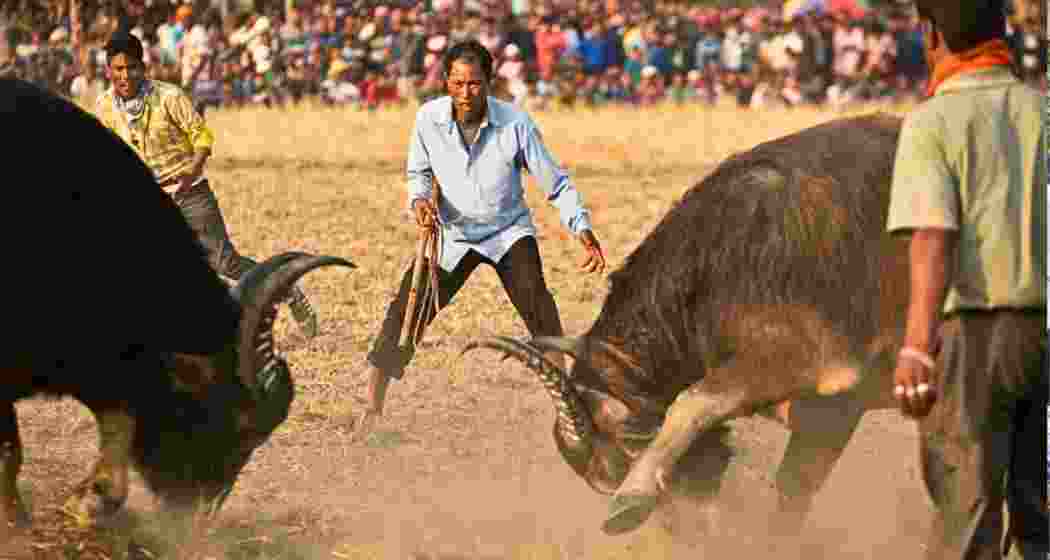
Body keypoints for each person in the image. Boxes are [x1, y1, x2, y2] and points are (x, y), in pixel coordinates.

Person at [355, 40, 606, 439]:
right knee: (408, 309)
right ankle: (371, 407)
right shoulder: (427, 119)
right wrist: (419, 203)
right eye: (457, 84)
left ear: (489, 83)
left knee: (541, 311)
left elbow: (555, 184)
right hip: (452, 234)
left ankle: (573, 412)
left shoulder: (515, 124)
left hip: (508, 231)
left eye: (474, 84)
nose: (465, 94)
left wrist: (581, 228)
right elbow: (418, 174)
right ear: (446, 83)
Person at [885, 1, 1047, 558]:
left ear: (930, 33)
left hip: (973, 341)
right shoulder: (1041, 111)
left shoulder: (931, 123)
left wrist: (915, 347)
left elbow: (932, 236)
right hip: (1044, 332)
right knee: (1039, 510)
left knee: (968, 513)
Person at [93, 32, 320, 338]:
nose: (125, 75)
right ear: (109, 70)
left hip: (190, 193)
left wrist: (192, 170)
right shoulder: (105, 106)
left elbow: (201, 136)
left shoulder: (168, 96)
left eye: (131, 67)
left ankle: (285, 289)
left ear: (143, 67)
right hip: (147, 199)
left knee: (224, 262)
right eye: (118, 69)